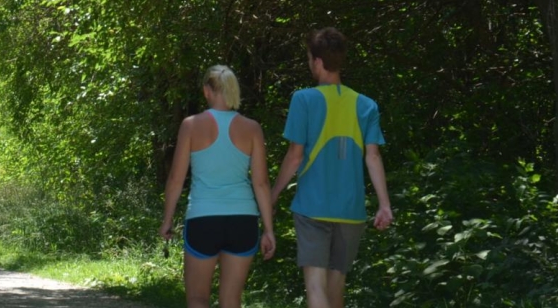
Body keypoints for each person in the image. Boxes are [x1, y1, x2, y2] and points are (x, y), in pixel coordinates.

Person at [271, 28, 393, 308]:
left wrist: (273, 195)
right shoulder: (366, 105)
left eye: (308, 58)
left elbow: (294, 157)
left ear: (317, 61)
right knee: (336, 287)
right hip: (351, 210)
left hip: (312, 207)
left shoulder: (303, 99)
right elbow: (373, 157)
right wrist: (384, 205)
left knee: (316, 286)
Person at [158, 65, 277, 308]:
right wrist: (268, 229)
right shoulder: (252, 128)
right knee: (231, 300)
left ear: (207, 91)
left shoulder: (191, 125)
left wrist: (167, 220)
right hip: (243, 220)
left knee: (197, 299)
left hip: (204, 219)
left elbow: (176, 179)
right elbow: (261, 183)